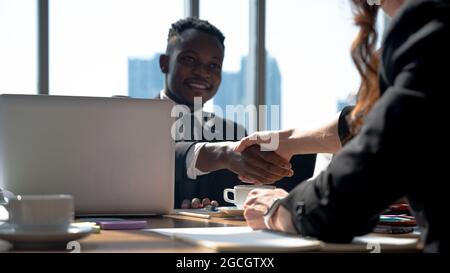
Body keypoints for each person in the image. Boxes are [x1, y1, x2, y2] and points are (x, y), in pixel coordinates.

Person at [235, 0, 450, 252]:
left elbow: (352, 194)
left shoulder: (429, 20)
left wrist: (278, 209)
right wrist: (288, 140)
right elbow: (387, 121)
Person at [157, 17, 317, 208]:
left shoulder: (234, 133)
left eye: (214, 65)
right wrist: (221, 154)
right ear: (164, 63)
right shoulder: (132, 121)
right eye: (189, 59)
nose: (202, 72)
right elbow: (156, 158)